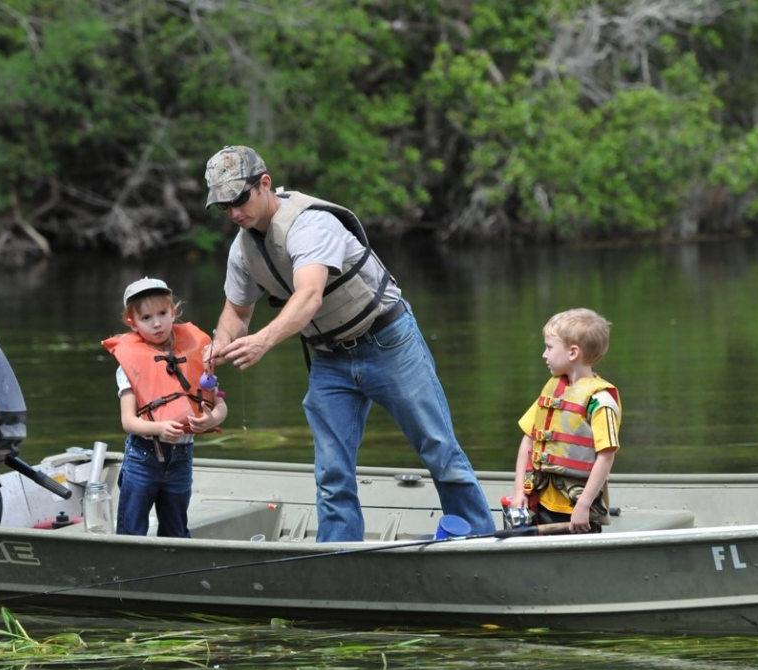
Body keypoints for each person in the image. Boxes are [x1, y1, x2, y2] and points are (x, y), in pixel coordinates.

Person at [201, 145, 495, 542]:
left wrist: (262, 342)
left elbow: (308, 296)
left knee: (438, 448)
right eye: (223, 207)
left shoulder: (310, 225)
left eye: (239, 199)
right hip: (330, 360)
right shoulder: (242, 250)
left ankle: (477, 538)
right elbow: (236, 314)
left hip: (389, 342)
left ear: (264, 184)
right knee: (332, 471)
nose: (234, 213)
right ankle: (337, 554)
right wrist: (220, 343)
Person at [102, 277, 227, 537]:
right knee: (131, 530)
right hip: (142, 458)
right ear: (132, 323)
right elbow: (128, 422)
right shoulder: (129, 364)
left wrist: (211, 420)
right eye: (146, 318)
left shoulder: (198, 353)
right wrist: (158, 427)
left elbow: (220, 406)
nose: (156, 323)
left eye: (162, 313)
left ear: (174, 313)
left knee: (176, 531)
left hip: (182, 459)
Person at [507, 308, 621, 534]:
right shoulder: (553, 390)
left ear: (573, 353)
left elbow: (606, 457)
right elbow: (528, 442)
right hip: (540, 500)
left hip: (574, 509)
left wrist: (584, 506)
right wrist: (519, 490)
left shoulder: (600, 401)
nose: (544, 354)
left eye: (549, 347)